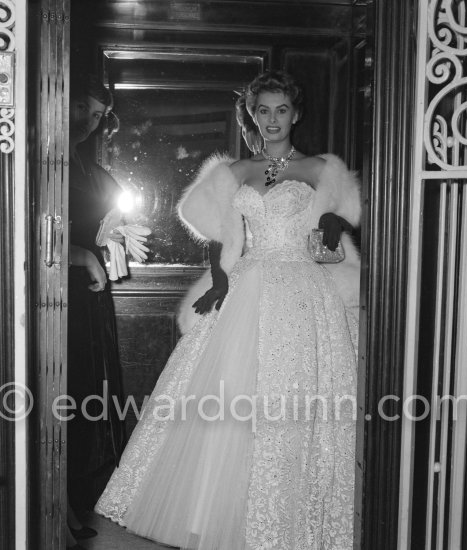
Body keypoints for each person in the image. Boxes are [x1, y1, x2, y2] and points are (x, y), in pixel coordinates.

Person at [95, 70, 360, 549]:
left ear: (296, 114)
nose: (273, 119)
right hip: (246, 287)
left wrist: (332, 238)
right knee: (229, 402)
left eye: (282, 109)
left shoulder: (323, 169)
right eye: (263, 110)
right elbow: (222, 239)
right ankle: (227, 519)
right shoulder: (236, 172)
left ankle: (290, 520)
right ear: (251, 116)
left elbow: (333, 240)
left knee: (292, 397)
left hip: (303, 291)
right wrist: (218, 280)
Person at [67, 75, 150, 548]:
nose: (88, 122)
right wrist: (81, 254)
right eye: (83, 108)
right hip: (58, 295)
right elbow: (32, 226)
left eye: (98, 115)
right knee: (68, 389)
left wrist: (110, 243)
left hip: (89, 297)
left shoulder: (86, 166)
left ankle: (76, 498)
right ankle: (57, 502)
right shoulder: (45, 159)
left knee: (89, 391)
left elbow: (111, 219)